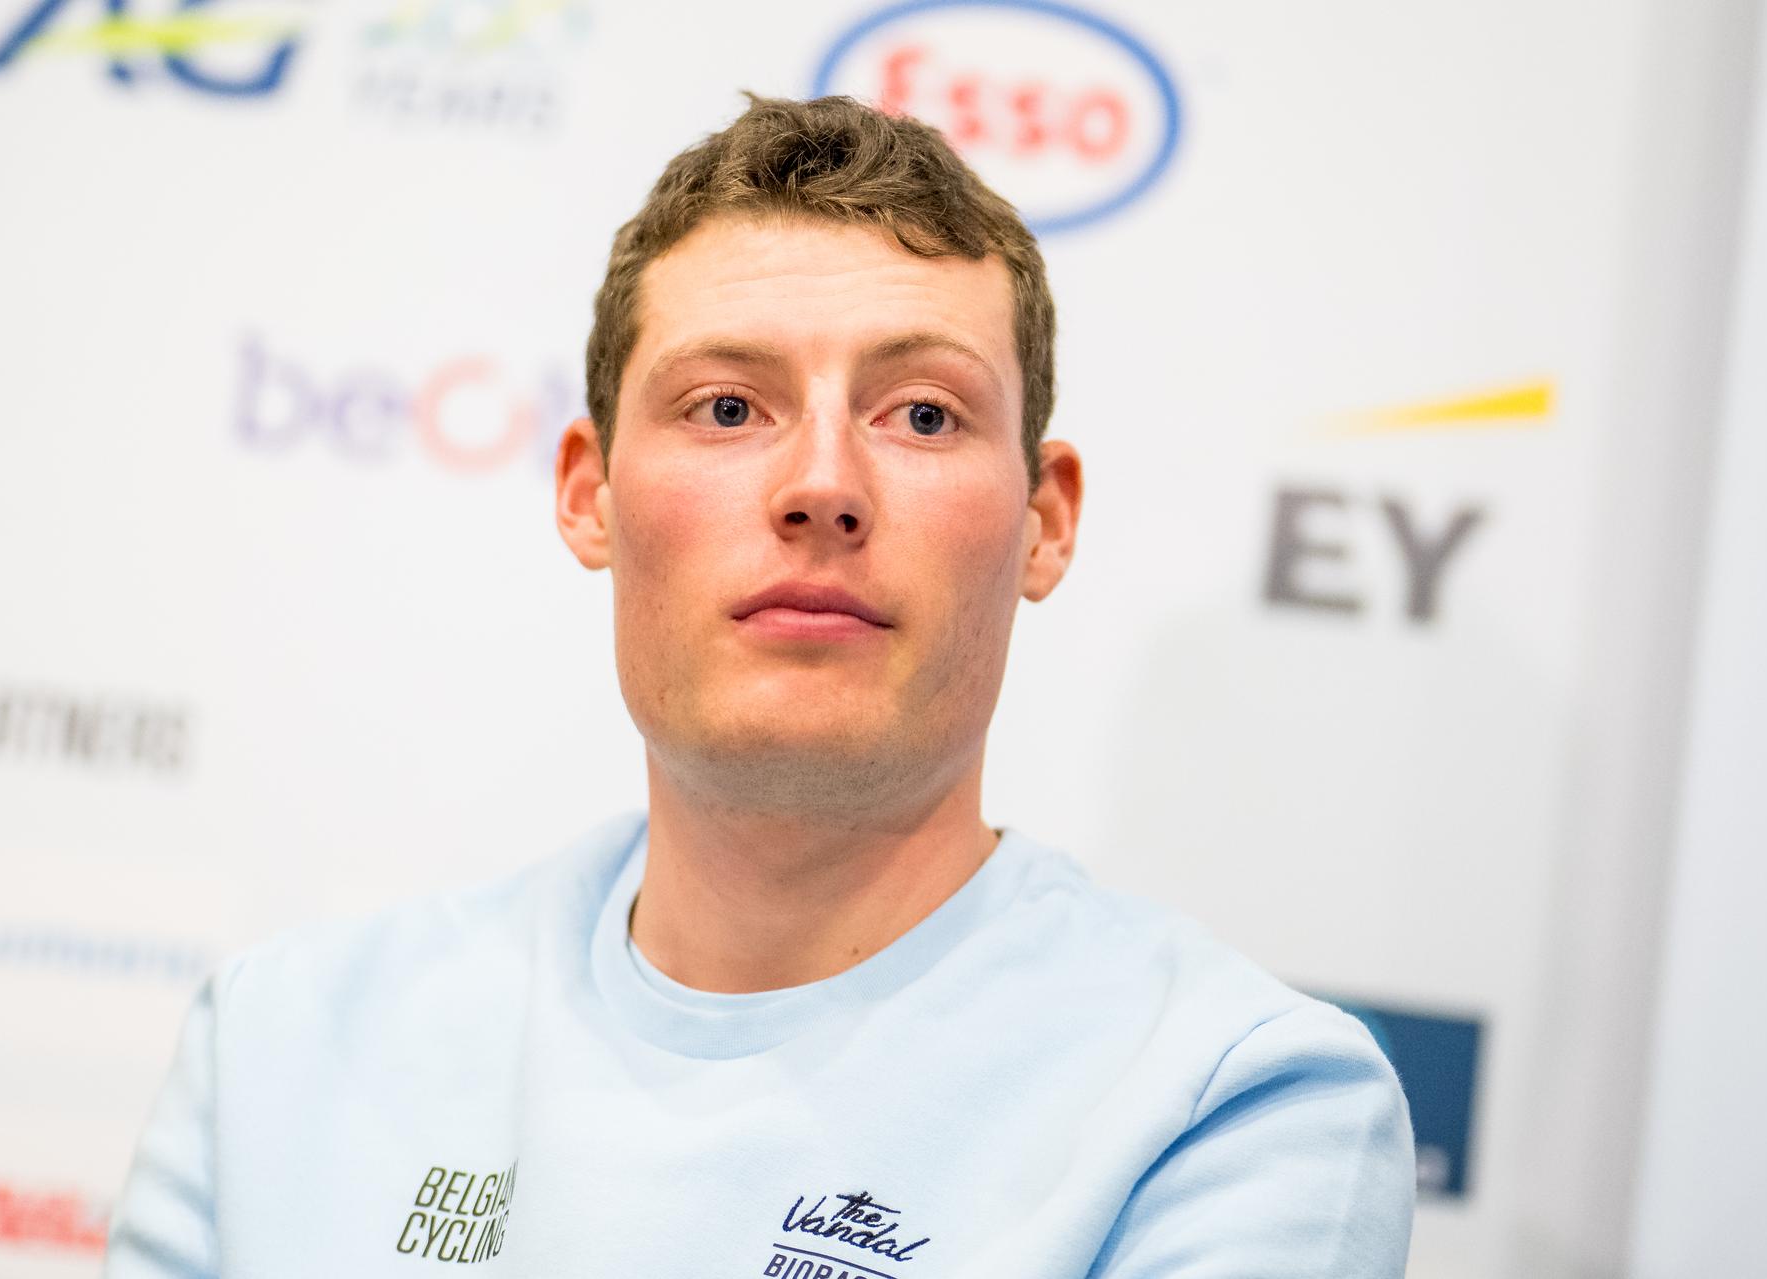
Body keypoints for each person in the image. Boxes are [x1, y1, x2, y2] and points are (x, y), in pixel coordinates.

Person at [105, 94, 1414, 1278]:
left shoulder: (1230, 1108)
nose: (824, 486)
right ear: (588, 491)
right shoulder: (280, 1049)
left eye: (924, 414)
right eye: (729, 409)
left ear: (1045, 519)